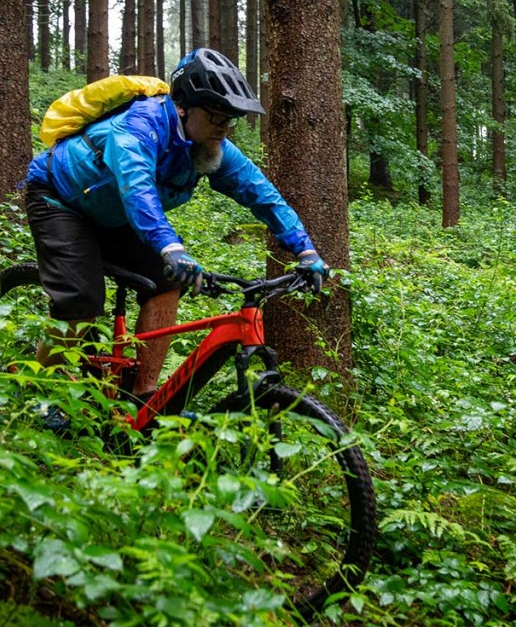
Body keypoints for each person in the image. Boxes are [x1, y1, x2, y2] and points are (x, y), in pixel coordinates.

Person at [23, 48, 329, 402]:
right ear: (182, 106)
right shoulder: (140, 125)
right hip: (61, 199)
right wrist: (171, 247)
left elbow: (261, 193)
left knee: (166, 282)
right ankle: (39, 392)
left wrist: (305, 249)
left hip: (114, 212)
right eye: (217, 117)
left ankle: (144, 397)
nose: (224, 130)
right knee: (80, 301)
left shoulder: (212, 146)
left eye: (230, 121)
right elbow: (136, 188)